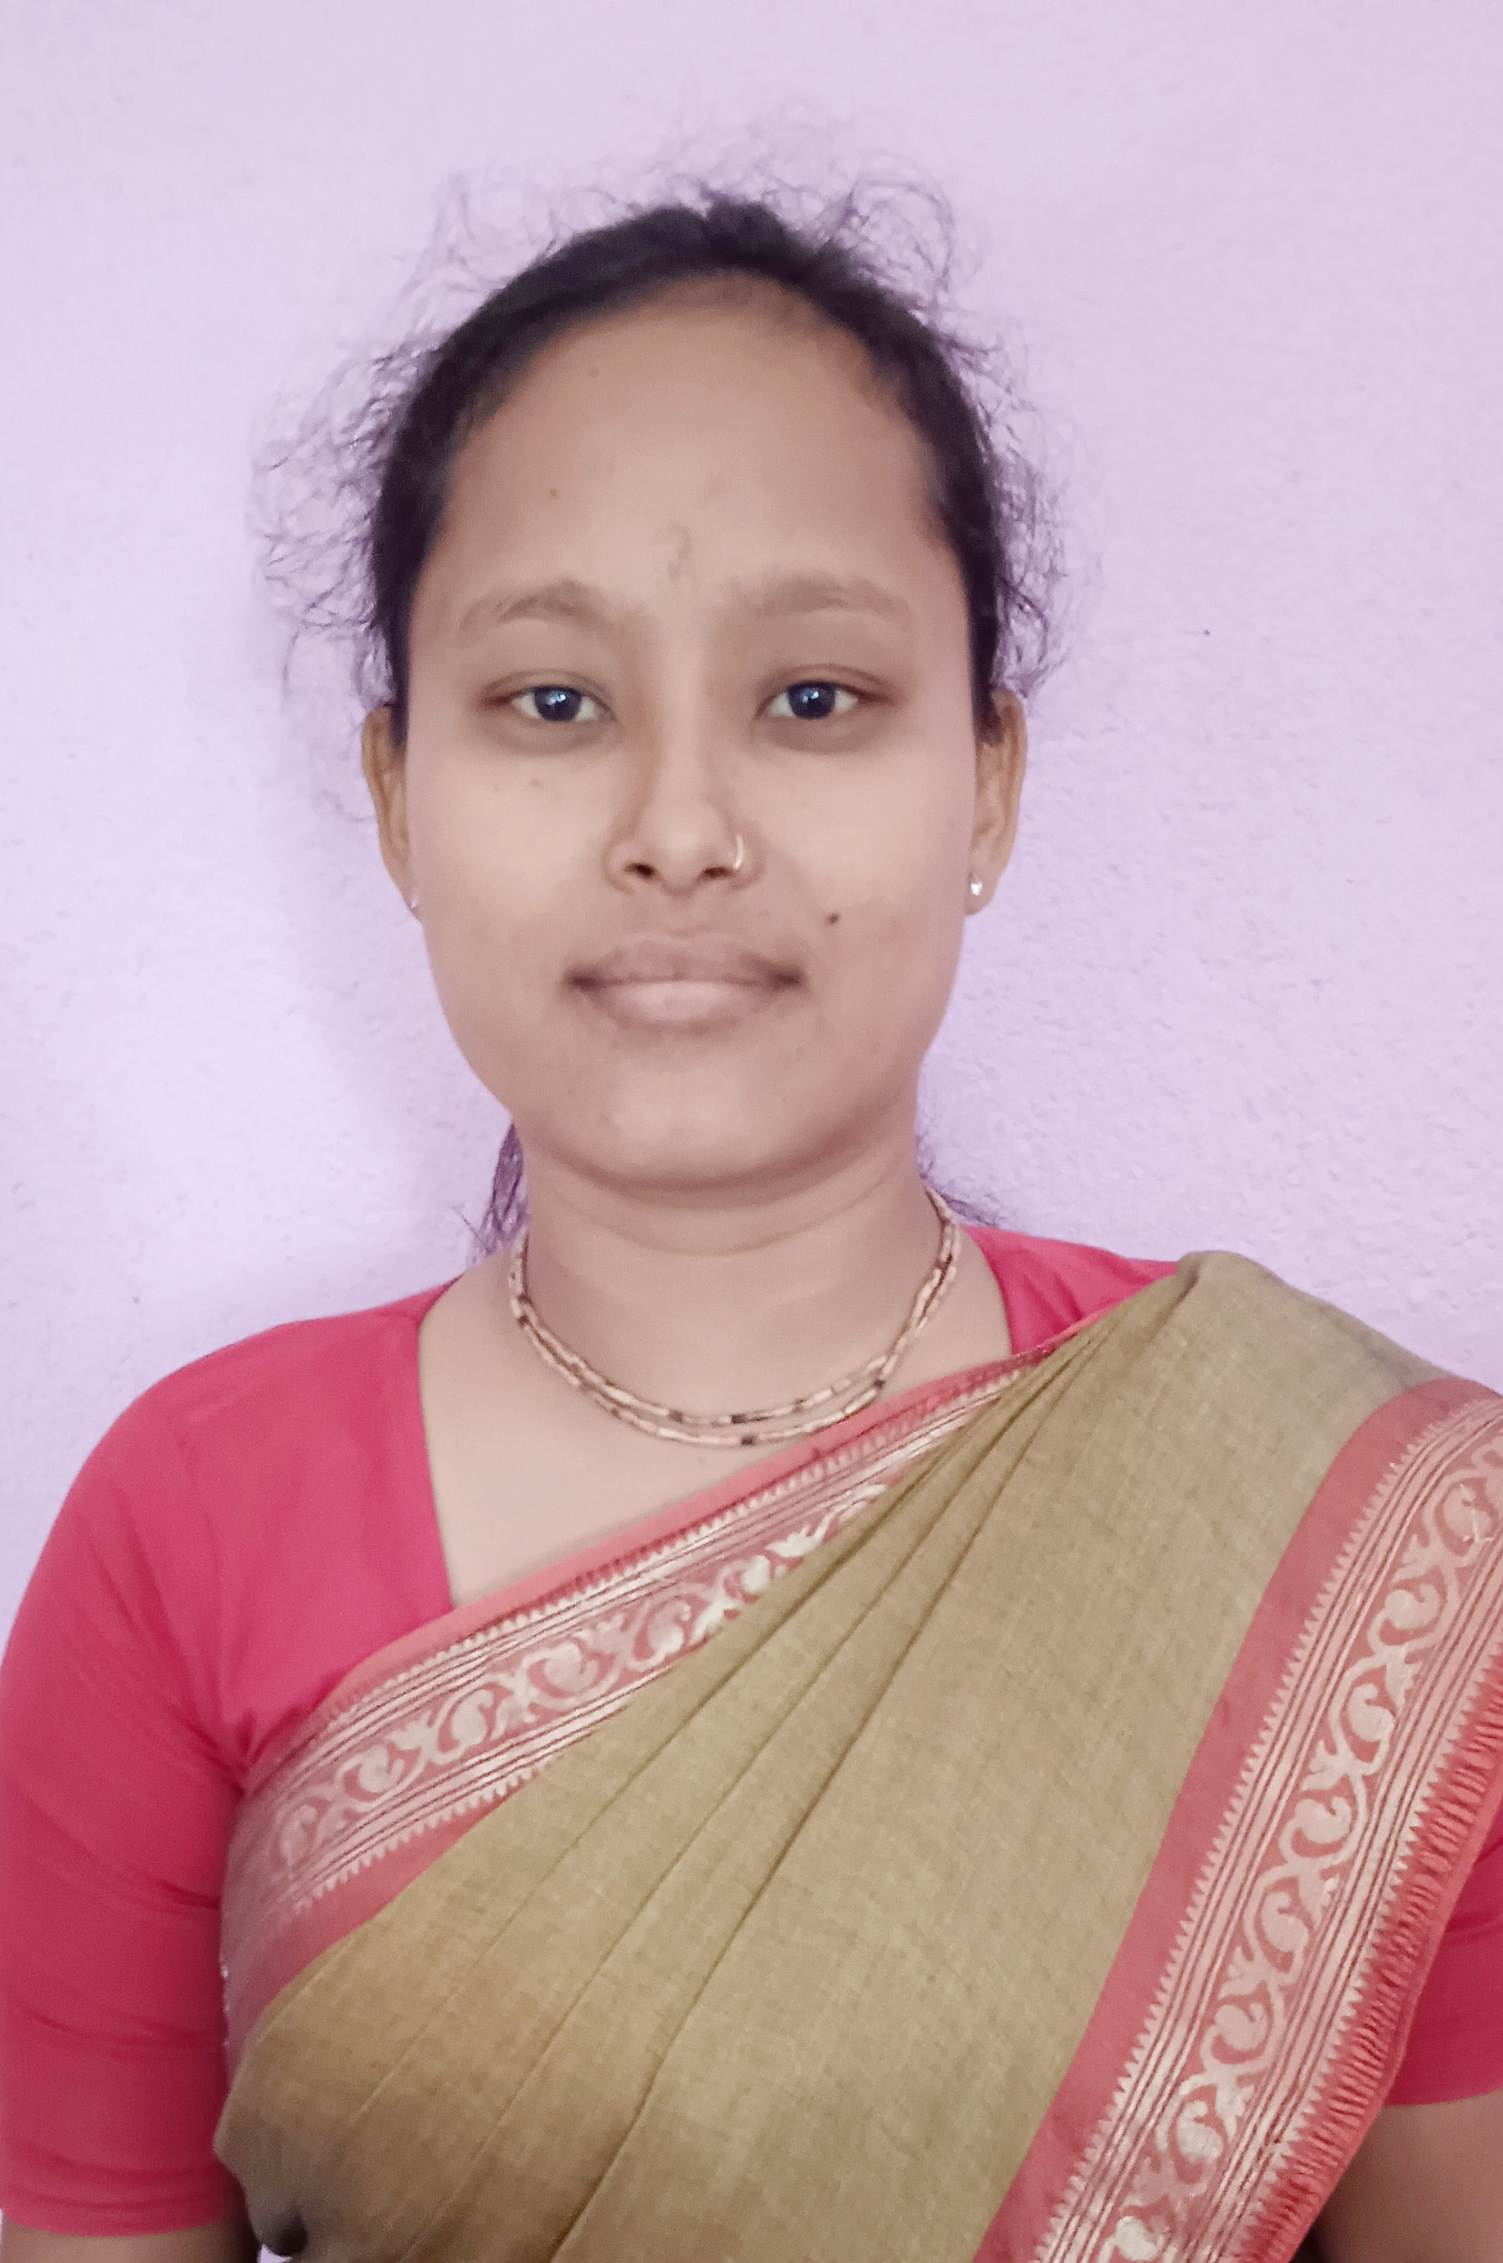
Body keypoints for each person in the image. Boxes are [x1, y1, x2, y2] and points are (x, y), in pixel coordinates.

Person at [1, 182, 1500, 2263]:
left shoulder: (1338, 1537)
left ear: (985, 782)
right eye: (552, 702)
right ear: (398, 796)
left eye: (812, 699)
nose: (682, 830)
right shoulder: (191, 1524)